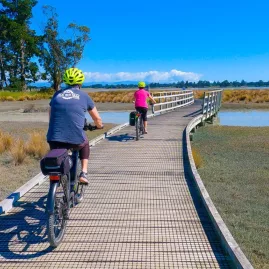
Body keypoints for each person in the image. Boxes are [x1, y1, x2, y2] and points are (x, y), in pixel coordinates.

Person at [47, 67, 103, 185]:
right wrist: (99, 126)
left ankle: (57, 180)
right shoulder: (84, 96)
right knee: (85, 143)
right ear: (80, 82)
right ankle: (83, 173)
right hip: (75, 139)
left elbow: (50, 115)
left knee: (58, 157)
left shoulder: (56, 95)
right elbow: (97, 118)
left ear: (66, 81)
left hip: (53, 137)